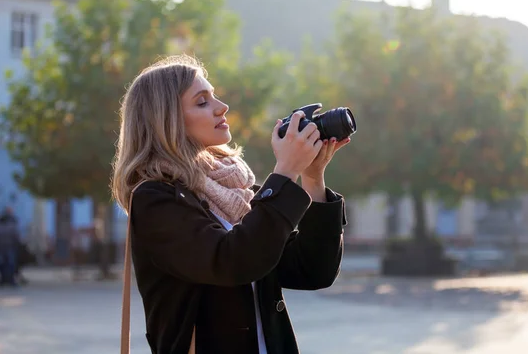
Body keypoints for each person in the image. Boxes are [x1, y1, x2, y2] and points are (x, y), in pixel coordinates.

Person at [111, 54, 350, 354]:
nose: (222, 107)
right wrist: (285, 172)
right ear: (166, 120)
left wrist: (312, 179)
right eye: (202, 101)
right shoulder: (155, 200)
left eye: (214, 96)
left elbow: (313, 270)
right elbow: (232, 262)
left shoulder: (236, 192)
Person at [0, 206, 21, 287]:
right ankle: (10, 280)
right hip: (10, 248)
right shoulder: (13, 226)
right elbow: (16, 239)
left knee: (2, 265)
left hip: (1, 249)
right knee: (11, 265)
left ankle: (3, 280)